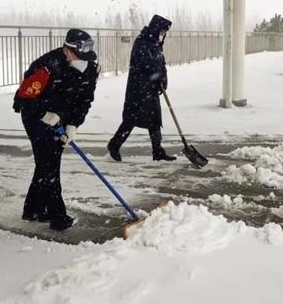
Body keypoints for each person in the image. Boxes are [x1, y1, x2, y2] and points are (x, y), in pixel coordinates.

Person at [13, 29, 100, 231]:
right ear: (66, 50)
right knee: (49, 164)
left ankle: (33, 210)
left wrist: (73, 125)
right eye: (70, 54)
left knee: (47, 164)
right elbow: (25, 98)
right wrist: (44, 115)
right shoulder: (47, 67)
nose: (72, 58)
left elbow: (85, 101)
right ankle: (57, 216)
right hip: (36, 116)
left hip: (62, 117)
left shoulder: (90, 68)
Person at [107, 14, 176, 162]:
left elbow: (160, 63)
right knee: (131, 119)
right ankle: (114, 144)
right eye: (162, 31)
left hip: (151, 88)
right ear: (156, 28)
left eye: (165, 32)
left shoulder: (156, 43)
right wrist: (156, 76)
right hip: (138, 89)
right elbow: (146, 63)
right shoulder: (142, 42)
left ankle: (157, 151)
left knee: (154, 119)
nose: (163, 34)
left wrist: (163, 78)